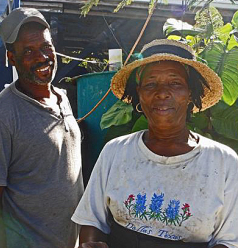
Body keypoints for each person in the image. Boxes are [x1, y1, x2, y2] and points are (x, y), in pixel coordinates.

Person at [71, 39, 238, 248]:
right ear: (139, 95)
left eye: (175, 83)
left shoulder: (223, 162)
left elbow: (230, 240)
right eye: (150, 84)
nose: (161, 93)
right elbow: (91, 221)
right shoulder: (115, 152)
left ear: (191, 94)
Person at [0, 7, 84, 248]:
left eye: (46, 47)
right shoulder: (0, 114)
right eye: (28, 51)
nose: (42, 57)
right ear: (11, 57)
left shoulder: (62, 98)